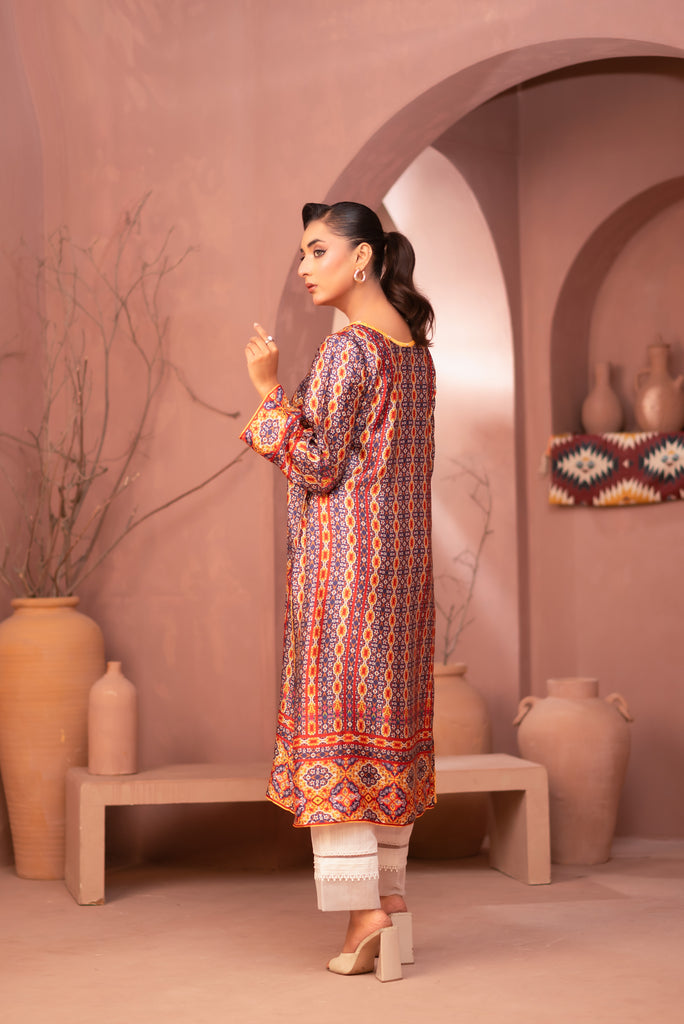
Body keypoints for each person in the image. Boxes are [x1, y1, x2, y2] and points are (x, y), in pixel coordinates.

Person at [240, 201, 436, 981]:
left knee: (338, 739)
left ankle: (364, 917)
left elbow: (318, 464)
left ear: (363, 258)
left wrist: (267, 392)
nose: (304, 267)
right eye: (302, 253)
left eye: (318, 250)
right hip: (403, 580)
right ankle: (393, 902)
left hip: (346, 574)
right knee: (385, 734)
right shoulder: (415, 353)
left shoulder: (350, 349)